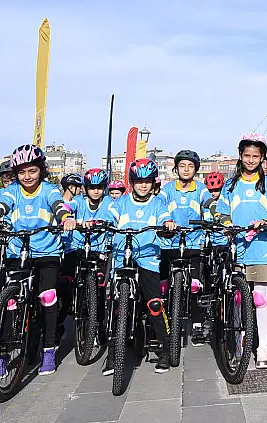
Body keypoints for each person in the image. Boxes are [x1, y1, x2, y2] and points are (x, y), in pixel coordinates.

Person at [0, 144, 76, 377]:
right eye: (22, 172)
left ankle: (49, 350)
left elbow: (58, 205)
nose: (27, 177)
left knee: (48, 298)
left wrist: (65, 217)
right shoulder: (11, 191)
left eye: (32, 171)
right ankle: (1, 351)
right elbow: (1, 207)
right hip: (17, 252)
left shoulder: (49, 190)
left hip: (46, 253)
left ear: (41, 170)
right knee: (6, 302)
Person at [215, 133, 267, 369]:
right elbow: (220, 213)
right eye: (247, 155)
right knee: (237, 297)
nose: (251, 160)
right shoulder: (230, 185)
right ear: (240, 155)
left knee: (260, 298)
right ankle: (237, 340)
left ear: (262, 157)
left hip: (263, 247)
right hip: (237, 246)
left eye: (256, 156)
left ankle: (262, 348)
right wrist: (226, 225)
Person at [107, 158, 172, 373]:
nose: (143, 185)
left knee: (154, 304)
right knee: (114, 305)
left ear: (153, 183)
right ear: (131, 182)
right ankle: (112, 353)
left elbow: (165, 217)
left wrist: (167, 223)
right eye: (138, 181)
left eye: (147, 181)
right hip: (121, 257)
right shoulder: (121, 202)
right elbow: (109, 216)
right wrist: (100, 223)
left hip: (147, 258)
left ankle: (165, 348)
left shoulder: (158, 203)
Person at [59, 168, 117, 355]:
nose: (96, 191)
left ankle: (98, 325)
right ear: (85, 188)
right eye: (92, 187)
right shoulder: (77, 201)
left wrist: (102, 222)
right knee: (65, 283)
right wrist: (67, 217)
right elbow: (67, 208)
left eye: (100, 187)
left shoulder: (108, 202)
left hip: (98, 250)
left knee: (99, 290)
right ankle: (59, 322)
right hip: (75, 248)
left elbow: (112, 215)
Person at [157, 150, 211, 344]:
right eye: (182, 166)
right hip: (169, 243)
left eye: (190, 166)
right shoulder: (168, 189)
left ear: (195, 169)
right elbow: (159, 204)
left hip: (193, 242)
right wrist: (165, 220)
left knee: (195, 286)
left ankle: (196, 325)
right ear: (176, 168)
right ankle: (161, 324)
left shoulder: (201, 188)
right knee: (162, 287)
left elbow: (208, 203)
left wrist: (211, 217)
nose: (186, 169)